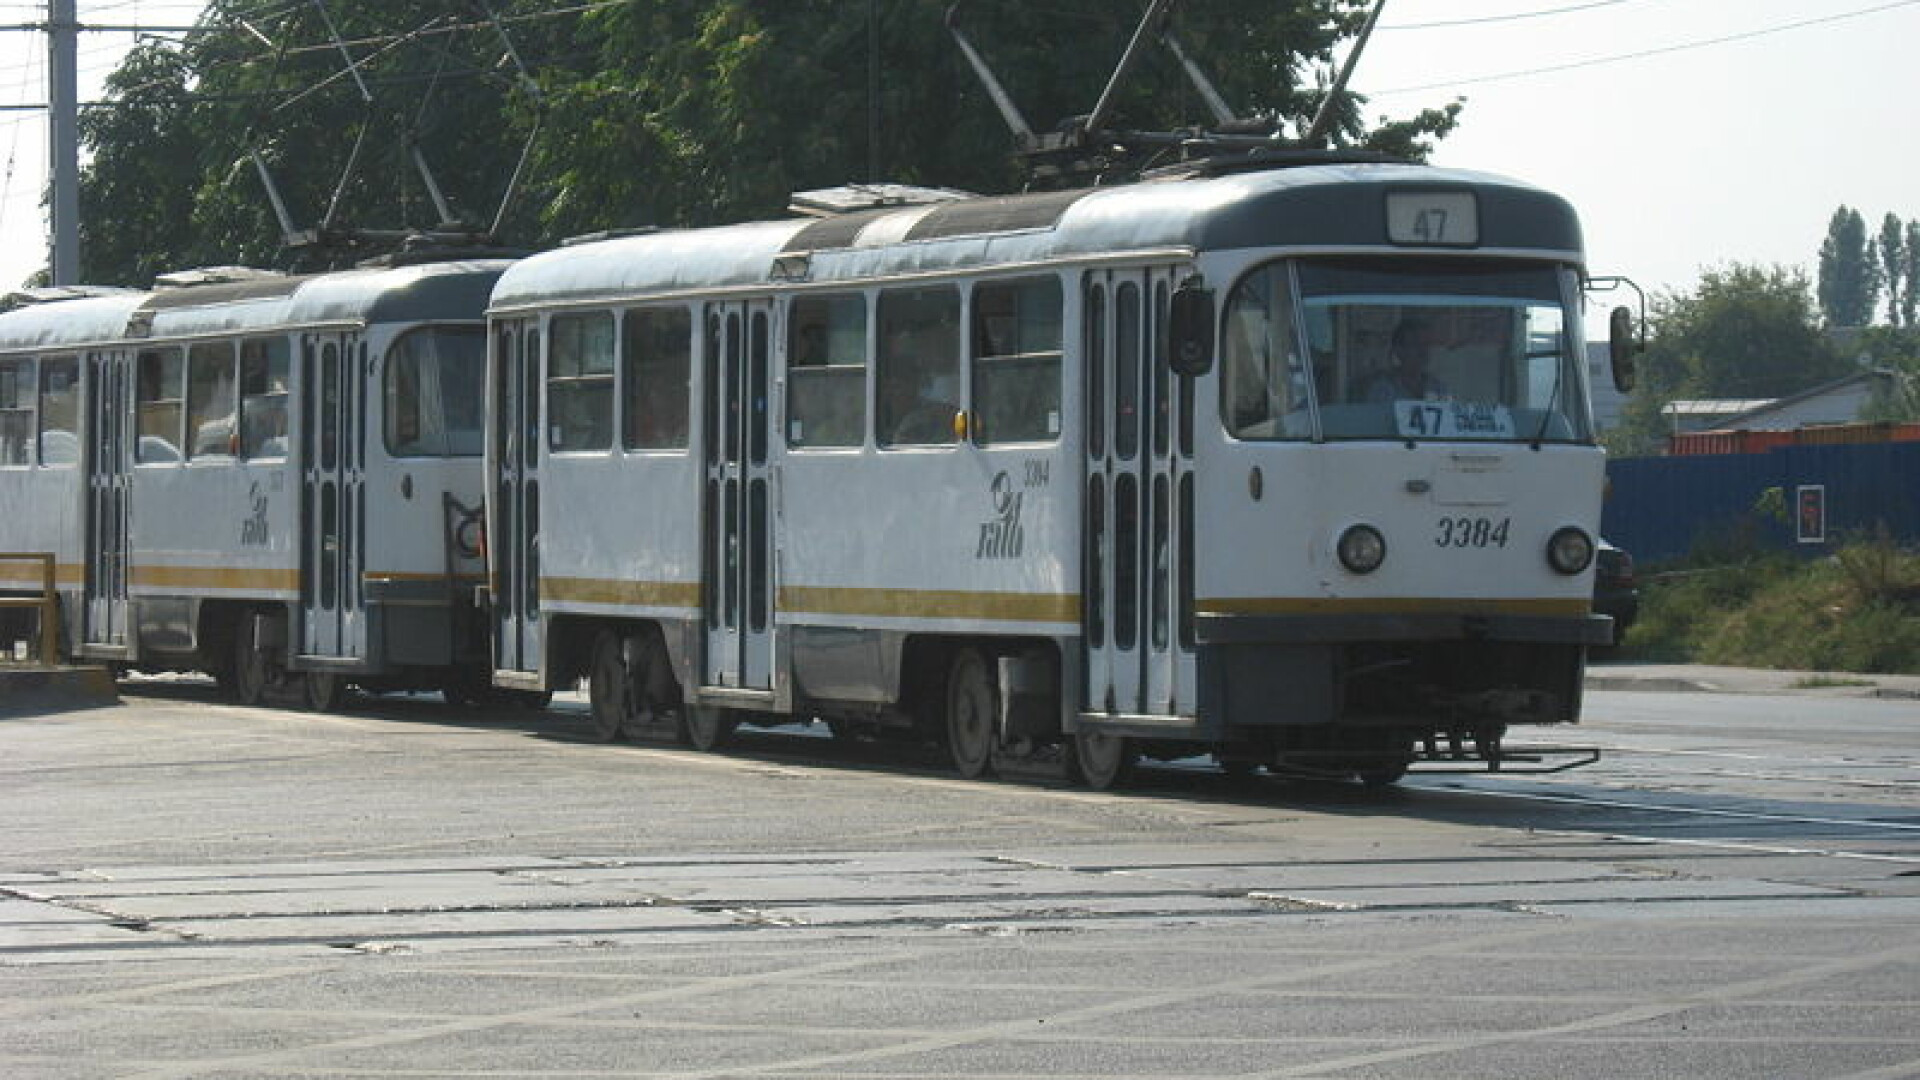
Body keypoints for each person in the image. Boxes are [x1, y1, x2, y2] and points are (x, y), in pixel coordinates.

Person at [1362, 318, 1450, 402]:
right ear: (1398, 350)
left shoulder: (1438, 388)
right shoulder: (1382, 390)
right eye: (1416, 344)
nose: (1423, 351)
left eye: (1426, 344)